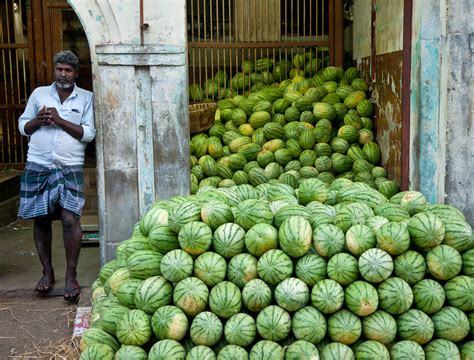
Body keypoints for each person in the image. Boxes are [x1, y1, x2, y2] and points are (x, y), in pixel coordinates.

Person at [17, 50, 95, 303]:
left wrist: (60, 120)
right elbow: (22, 126)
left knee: (70, 219)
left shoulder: (85, 98)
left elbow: (88, 133)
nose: (63, 74)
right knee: (41, 219)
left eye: (68, 70)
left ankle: (71, 276)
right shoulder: (39, 94)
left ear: (76, 73)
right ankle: (47, 272)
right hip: (38, 164)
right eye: (59, 69)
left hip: (70, 165)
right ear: (54, 70)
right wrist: (37, 121)